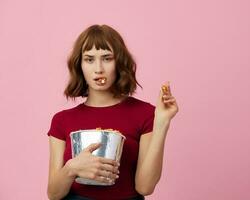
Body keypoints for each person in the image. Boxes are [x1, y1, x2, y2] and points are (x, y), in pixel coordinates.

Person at [47, 24, 178, 200]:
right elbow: (53, 194)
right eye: (89, 59)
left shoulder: (145, 113)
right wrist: (72, 168)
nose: (98, 68)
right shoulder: (62, 120)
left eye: (107, 58)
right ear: (80, 65)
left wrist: (161, 123)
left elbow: (145, 187)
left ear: (119, 63)